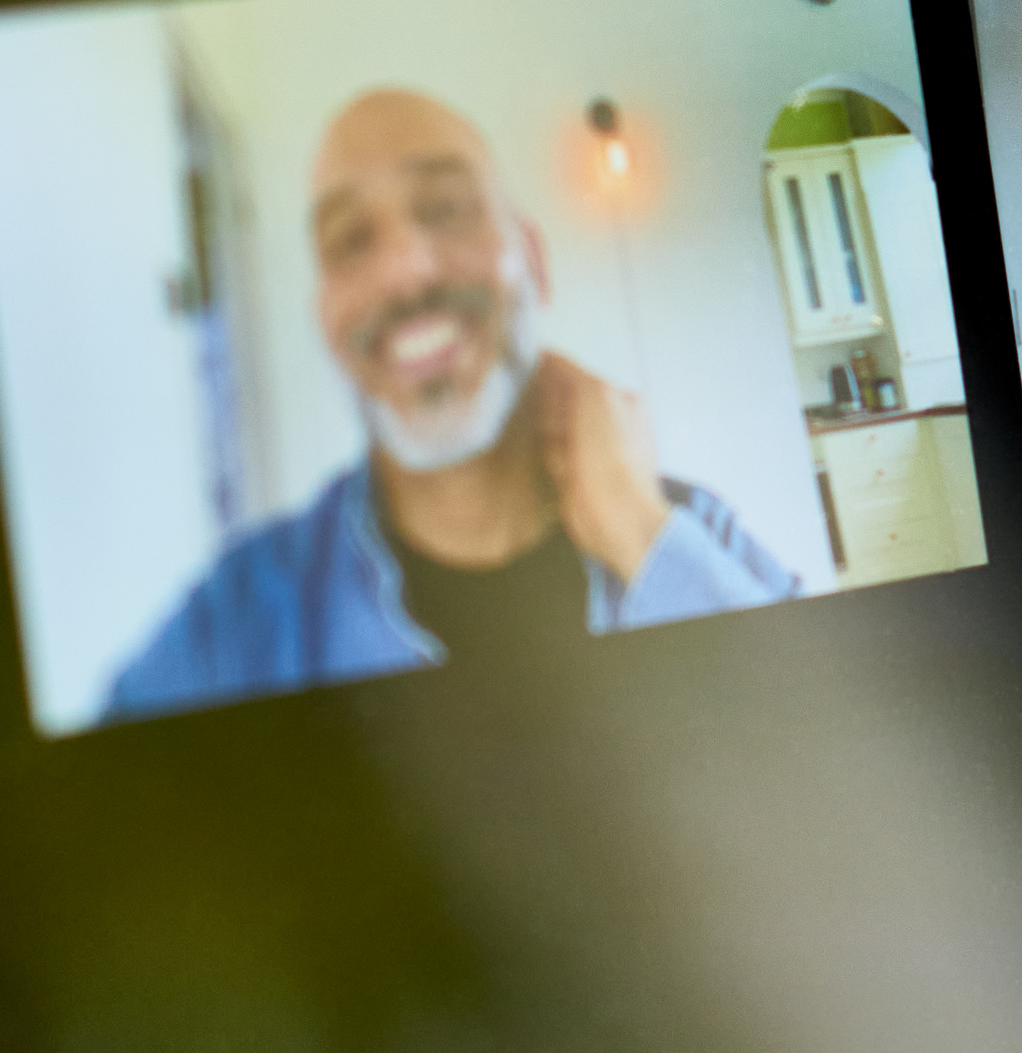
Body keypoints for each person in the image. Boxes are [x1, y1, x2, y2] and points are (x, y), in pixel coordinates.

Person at [107, 87, 798, 718]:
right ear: (328, 321)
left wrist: (645, 538)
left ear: (534, 260)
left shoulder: (691, 532)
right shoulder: (233, 630)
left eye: (445, 208)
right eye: (350, 240)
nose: (405, 271)